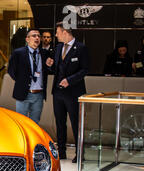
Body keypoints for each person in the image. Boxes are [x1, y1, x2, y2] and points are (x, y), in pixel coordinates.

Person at [46, 22, 89, 163]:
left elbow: (84, 70)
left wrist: (69, 80)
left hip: (74, 92)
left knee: (76, 123)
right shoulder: (58, 47)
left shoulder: (81, 48)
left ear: (65, 32)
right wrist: (50, 65)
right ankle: (62, 152)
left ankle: (79, 152)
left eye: (57, 32)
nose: (56, 35)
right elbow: (56, 69)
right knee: (60, 123)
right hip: (58, 92)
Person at [7, 28, 49, 124]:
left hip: (39, 94)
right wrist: (21, 81)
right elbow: (11, 70)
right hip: (23, 93)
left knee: (35, 122)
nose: (37, 38)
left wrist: (50, 65)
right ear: (27, 39)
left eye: (39, 36)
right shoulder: (18, 53)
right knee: (21, 122)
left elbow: (48, 70)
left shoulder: (44, 53)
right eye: (34, 36)